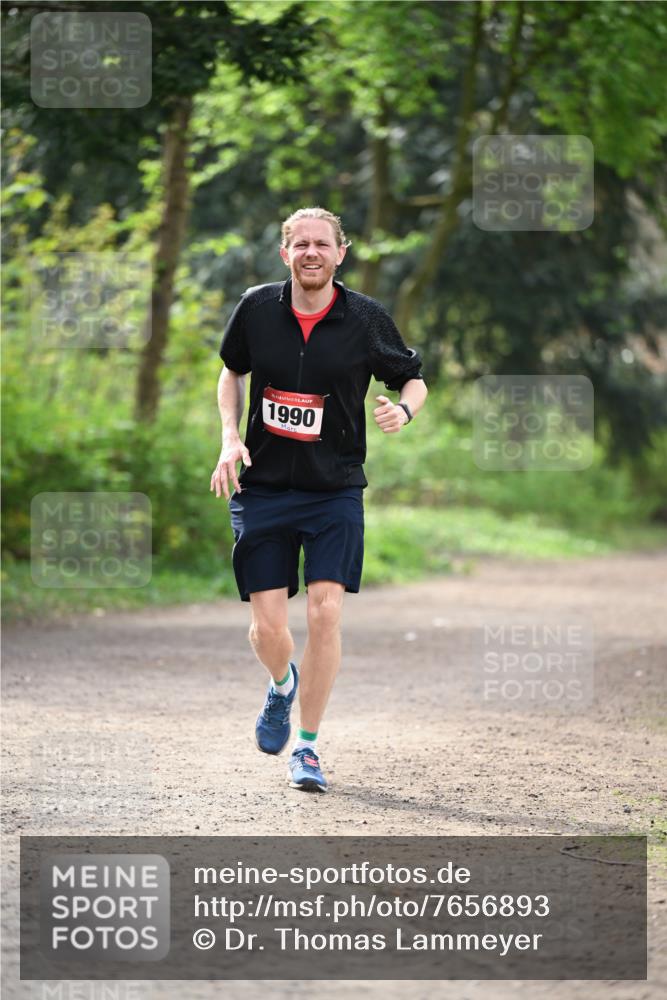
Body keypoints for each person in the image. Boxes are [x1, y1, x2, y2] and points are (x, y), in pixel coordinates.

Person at [210, 207, 427, 792]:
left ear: (340, 253)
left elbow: (414, 377)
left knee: (325, 610)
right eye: (300, 244)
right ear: (285, 254)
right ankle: (282, 685)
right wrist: (230, 437)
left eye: (322, 244)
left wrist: (402, 410)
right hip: (264, 485)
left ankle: (306, 748)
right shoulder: (257, 308)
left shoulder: (365, 319)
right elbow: (231, 372)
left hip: (333, 488)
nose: (311, 253)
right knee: (267, 628)